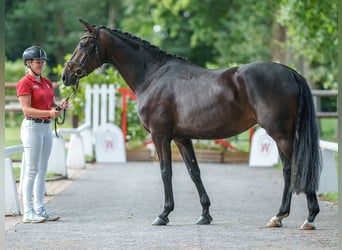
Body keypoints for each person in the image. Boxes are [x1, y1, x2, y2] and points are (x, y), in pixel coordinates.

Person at [16, 46, 68, 223]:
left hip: (46, 128)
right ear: (28, 63)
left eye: (42, 62)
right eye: (38, 62)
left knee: (42, 170)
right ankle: (28, 211)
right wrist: (48, 113)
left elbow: (51, 105)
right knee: (31, 170)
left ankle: (40, 208)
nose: (41, 65)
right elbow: (26, 109)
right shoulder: (25, 83)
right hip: (32, 127)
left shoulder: (46, 82)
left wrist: (59, 107)